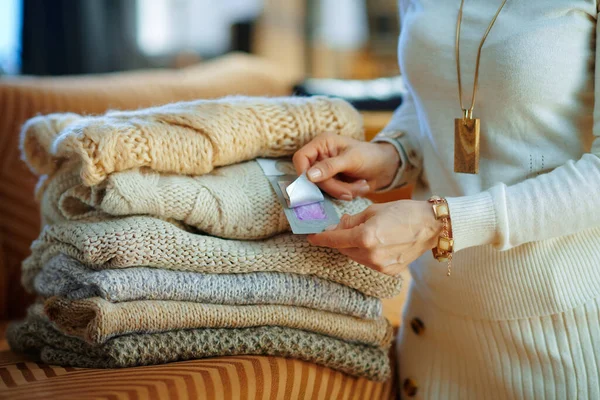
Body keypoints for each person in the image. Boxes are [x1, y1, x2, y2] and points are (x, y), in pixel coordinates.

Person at [292, 0, 600, 398]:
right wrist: (392, 153)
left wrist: (441, 222)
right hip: (431, 325)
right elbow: (423, 102)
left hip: (555, 338)